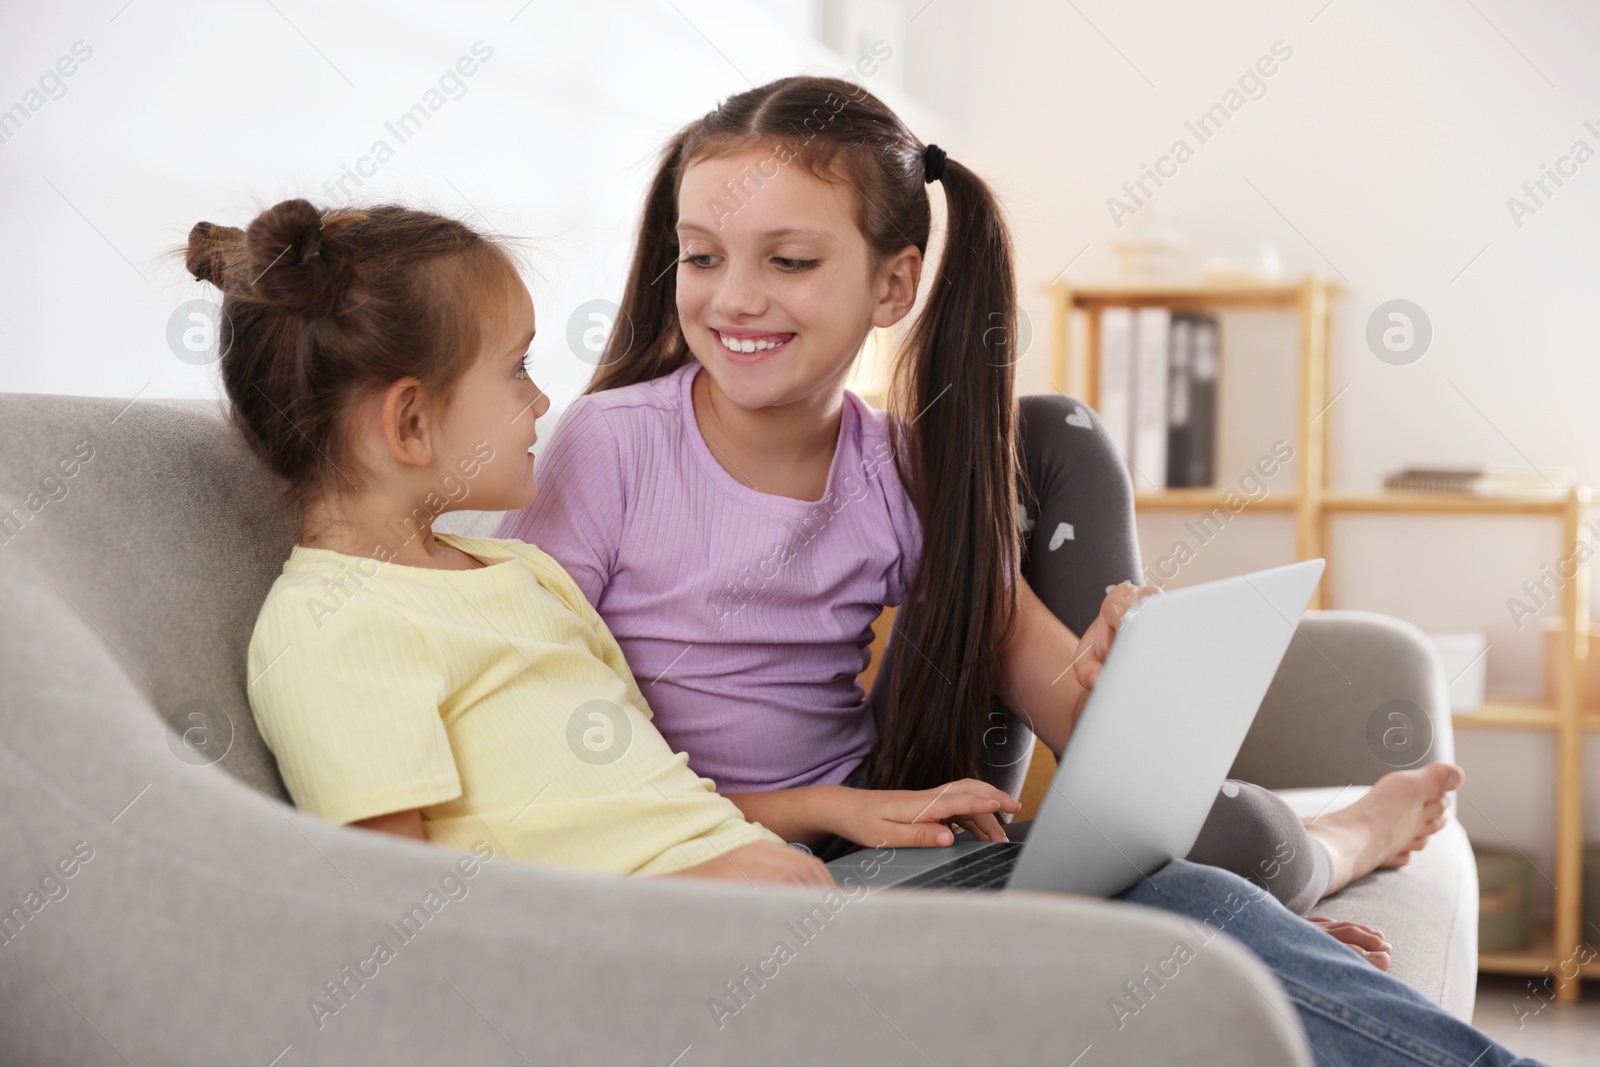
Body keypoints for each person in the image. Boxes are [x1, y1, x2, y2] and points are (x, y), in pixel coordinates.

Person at [491, 76, 1543, 1065]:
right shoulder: (610, 445)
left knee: (1198, 902)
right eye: (704, 255)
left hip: (855, 856)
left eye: (790, 261)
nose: (734, 299)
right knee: (1204, 913)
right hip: (685, 867)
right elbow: (536, 735)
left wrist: (1117, 677)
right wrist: (816, 807)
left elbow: (1077, 726)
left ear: (895, 282)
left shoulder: (902, 469)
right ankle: (1335, 844)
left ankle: (1321, 891)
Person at [193, 197, 831, 886]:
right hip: (649, 952)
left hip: (763, 888)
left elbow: (641, 804)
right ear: (411, 423)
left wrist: (827, 809)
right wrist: (702, 891)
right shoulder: (334, 628)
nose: (540, 402)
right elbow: (399, 910)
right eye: (517, 366)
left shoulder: (521, 570)